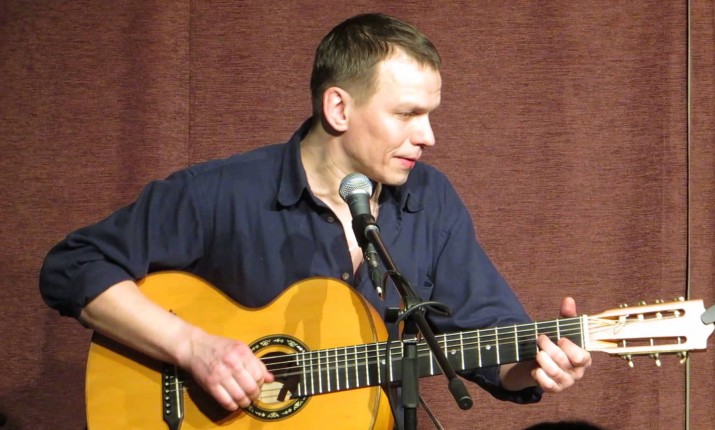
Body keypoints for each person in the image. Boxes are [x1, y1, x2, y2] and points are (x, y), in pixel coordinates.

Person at [39, 12, 590, 424]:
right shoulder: (222, 192)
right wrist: (193, 348)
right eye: (408, 114)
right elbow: (73, 266)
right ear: (338, 108)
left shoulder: (431, 200)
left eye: (430, 114)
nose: (428, 136)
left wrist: (537, 366)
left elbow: (487, 339)